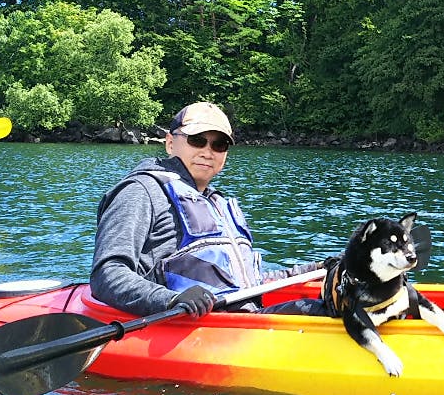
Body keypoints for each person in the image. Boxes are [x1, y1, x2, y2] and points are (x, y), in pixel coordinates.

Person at [90, 101, 322, 317]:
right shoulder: (140, 191)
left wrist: (319, 267)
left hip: (242, 322)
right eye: (197, 140)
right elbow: (107, 274)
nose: (207, 151)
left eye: (218, 145)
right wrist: (171, 300)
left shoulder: (217, 203)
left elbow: (249, 281)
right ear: (170, 143)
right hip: (192, 327)